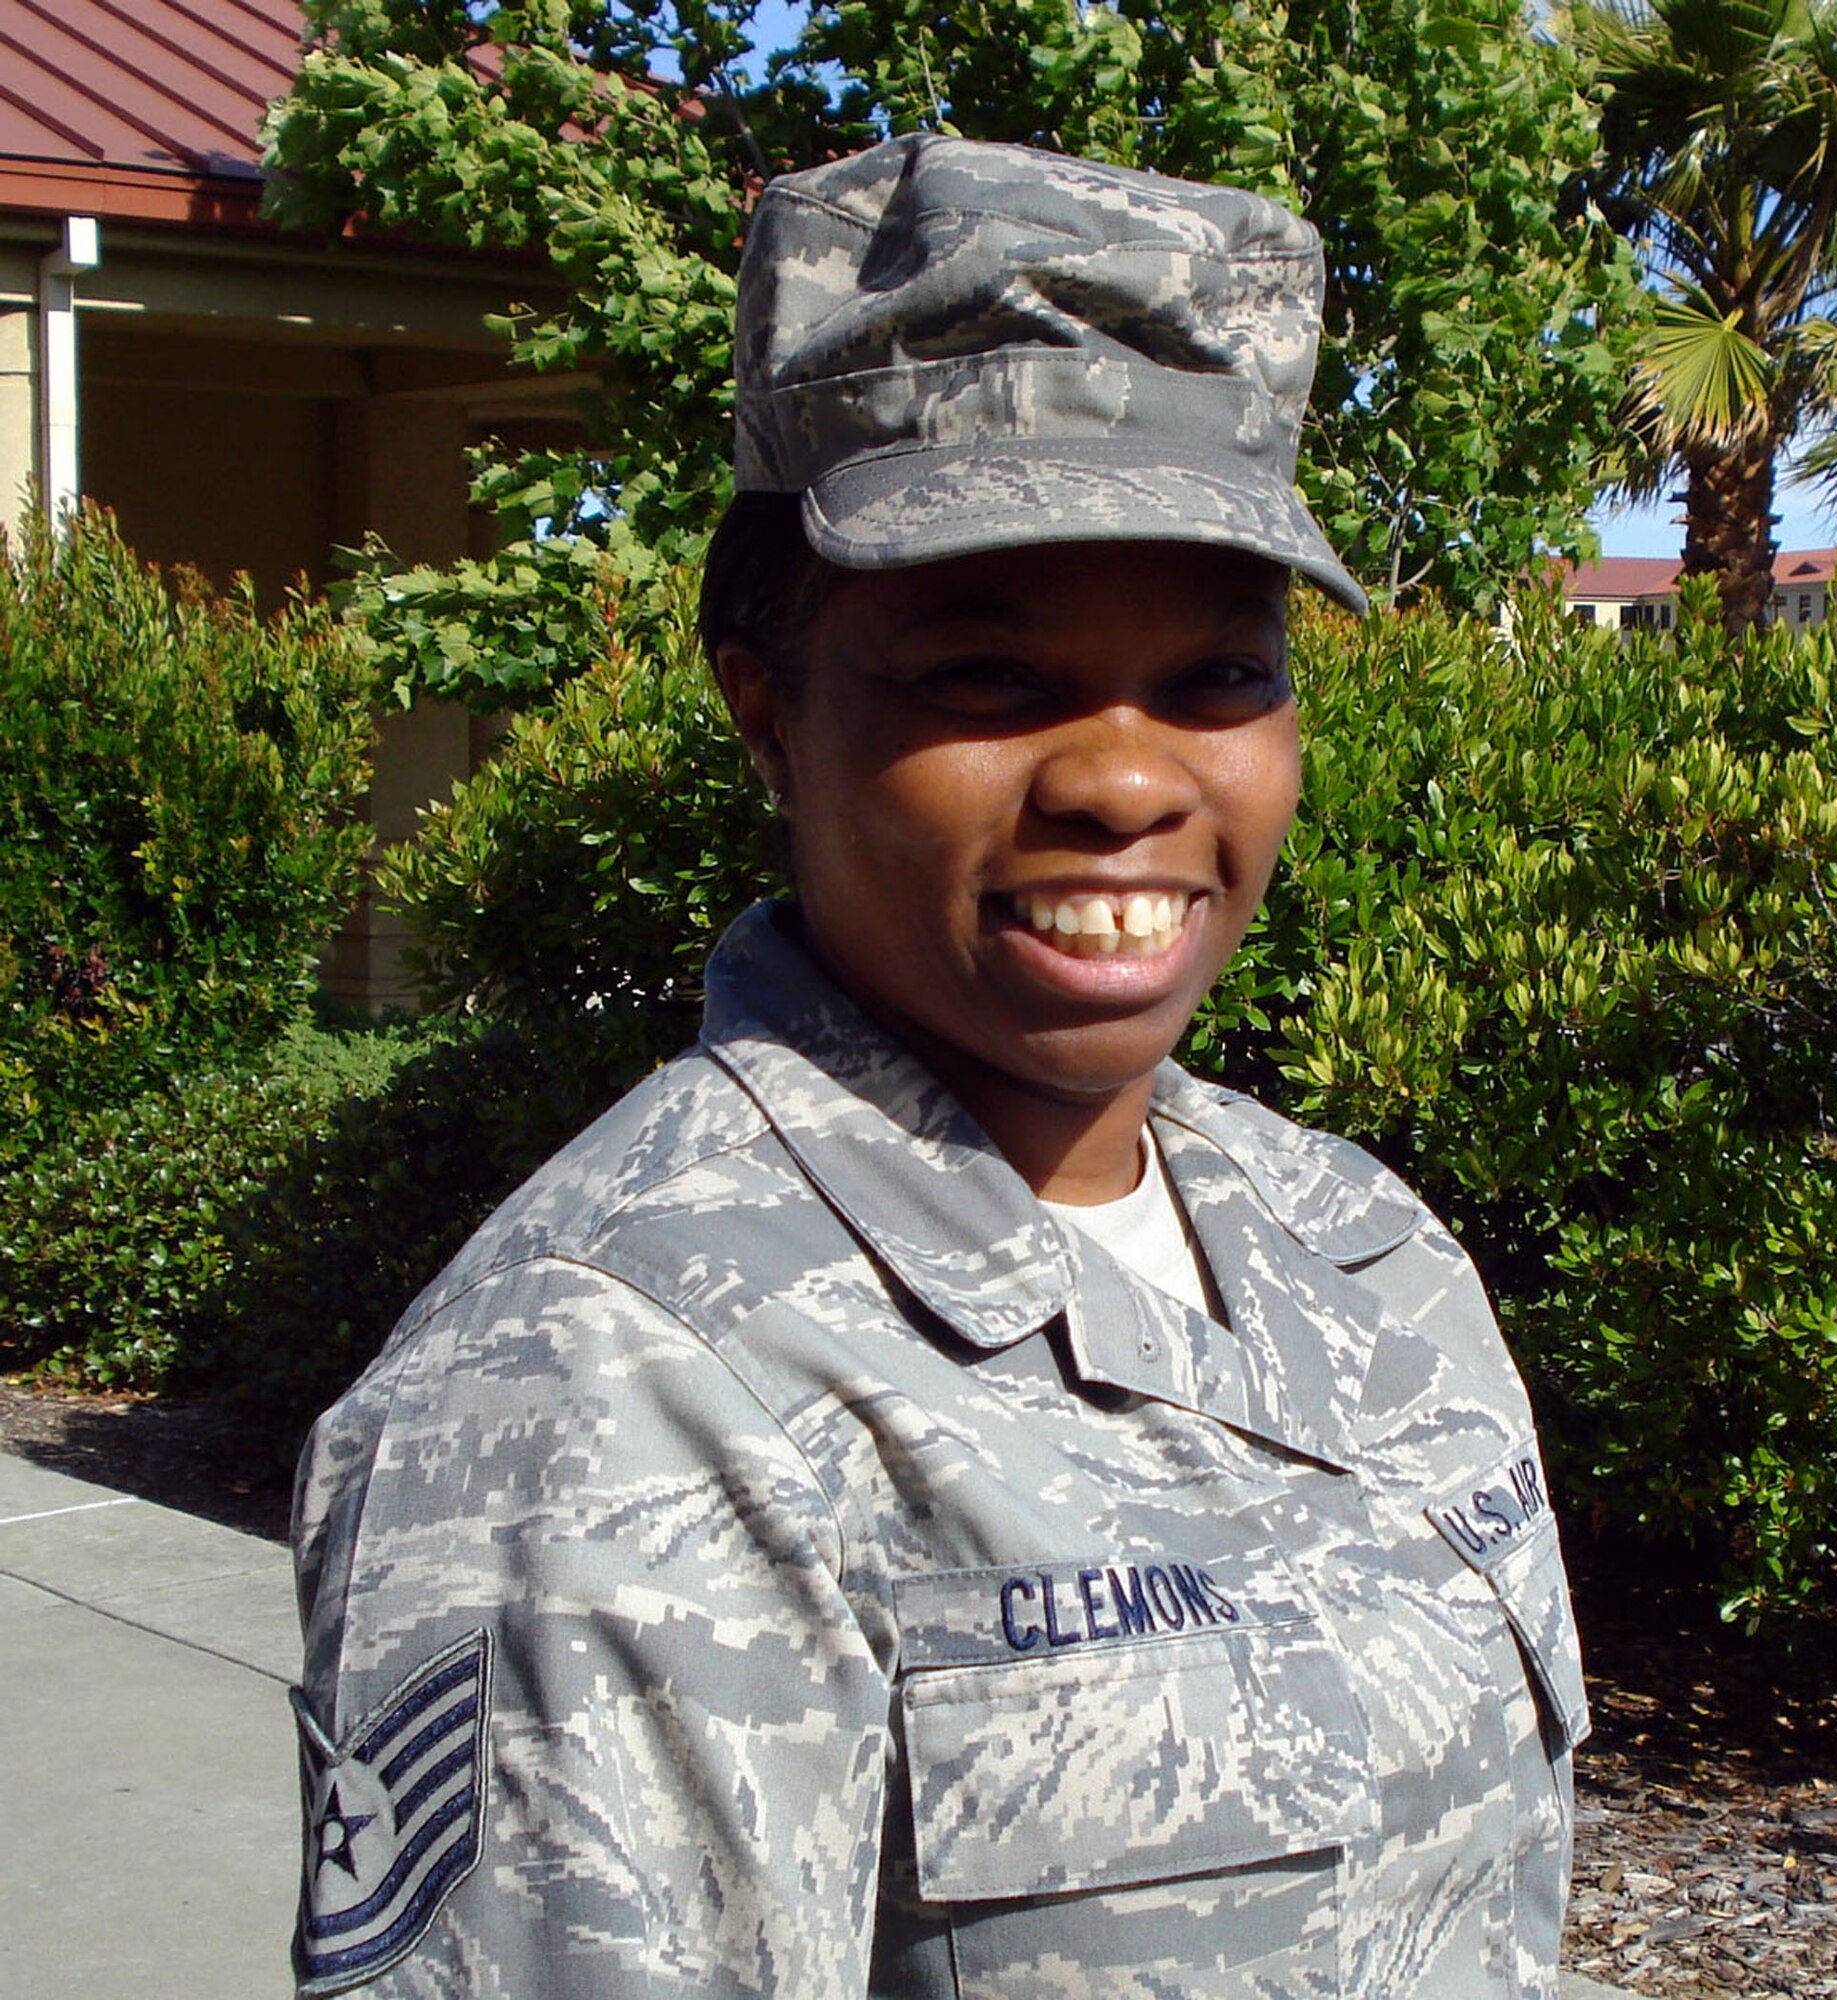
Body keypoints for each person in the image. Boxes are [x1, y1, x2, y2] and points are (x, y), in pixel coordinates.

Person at [289, 134, 1589, 2000]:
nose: (1130, 781)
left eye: (1219, 674)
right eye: (985, 677)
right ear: (770, 711)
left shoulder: (1356, 1251)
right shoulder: (613, 1389)